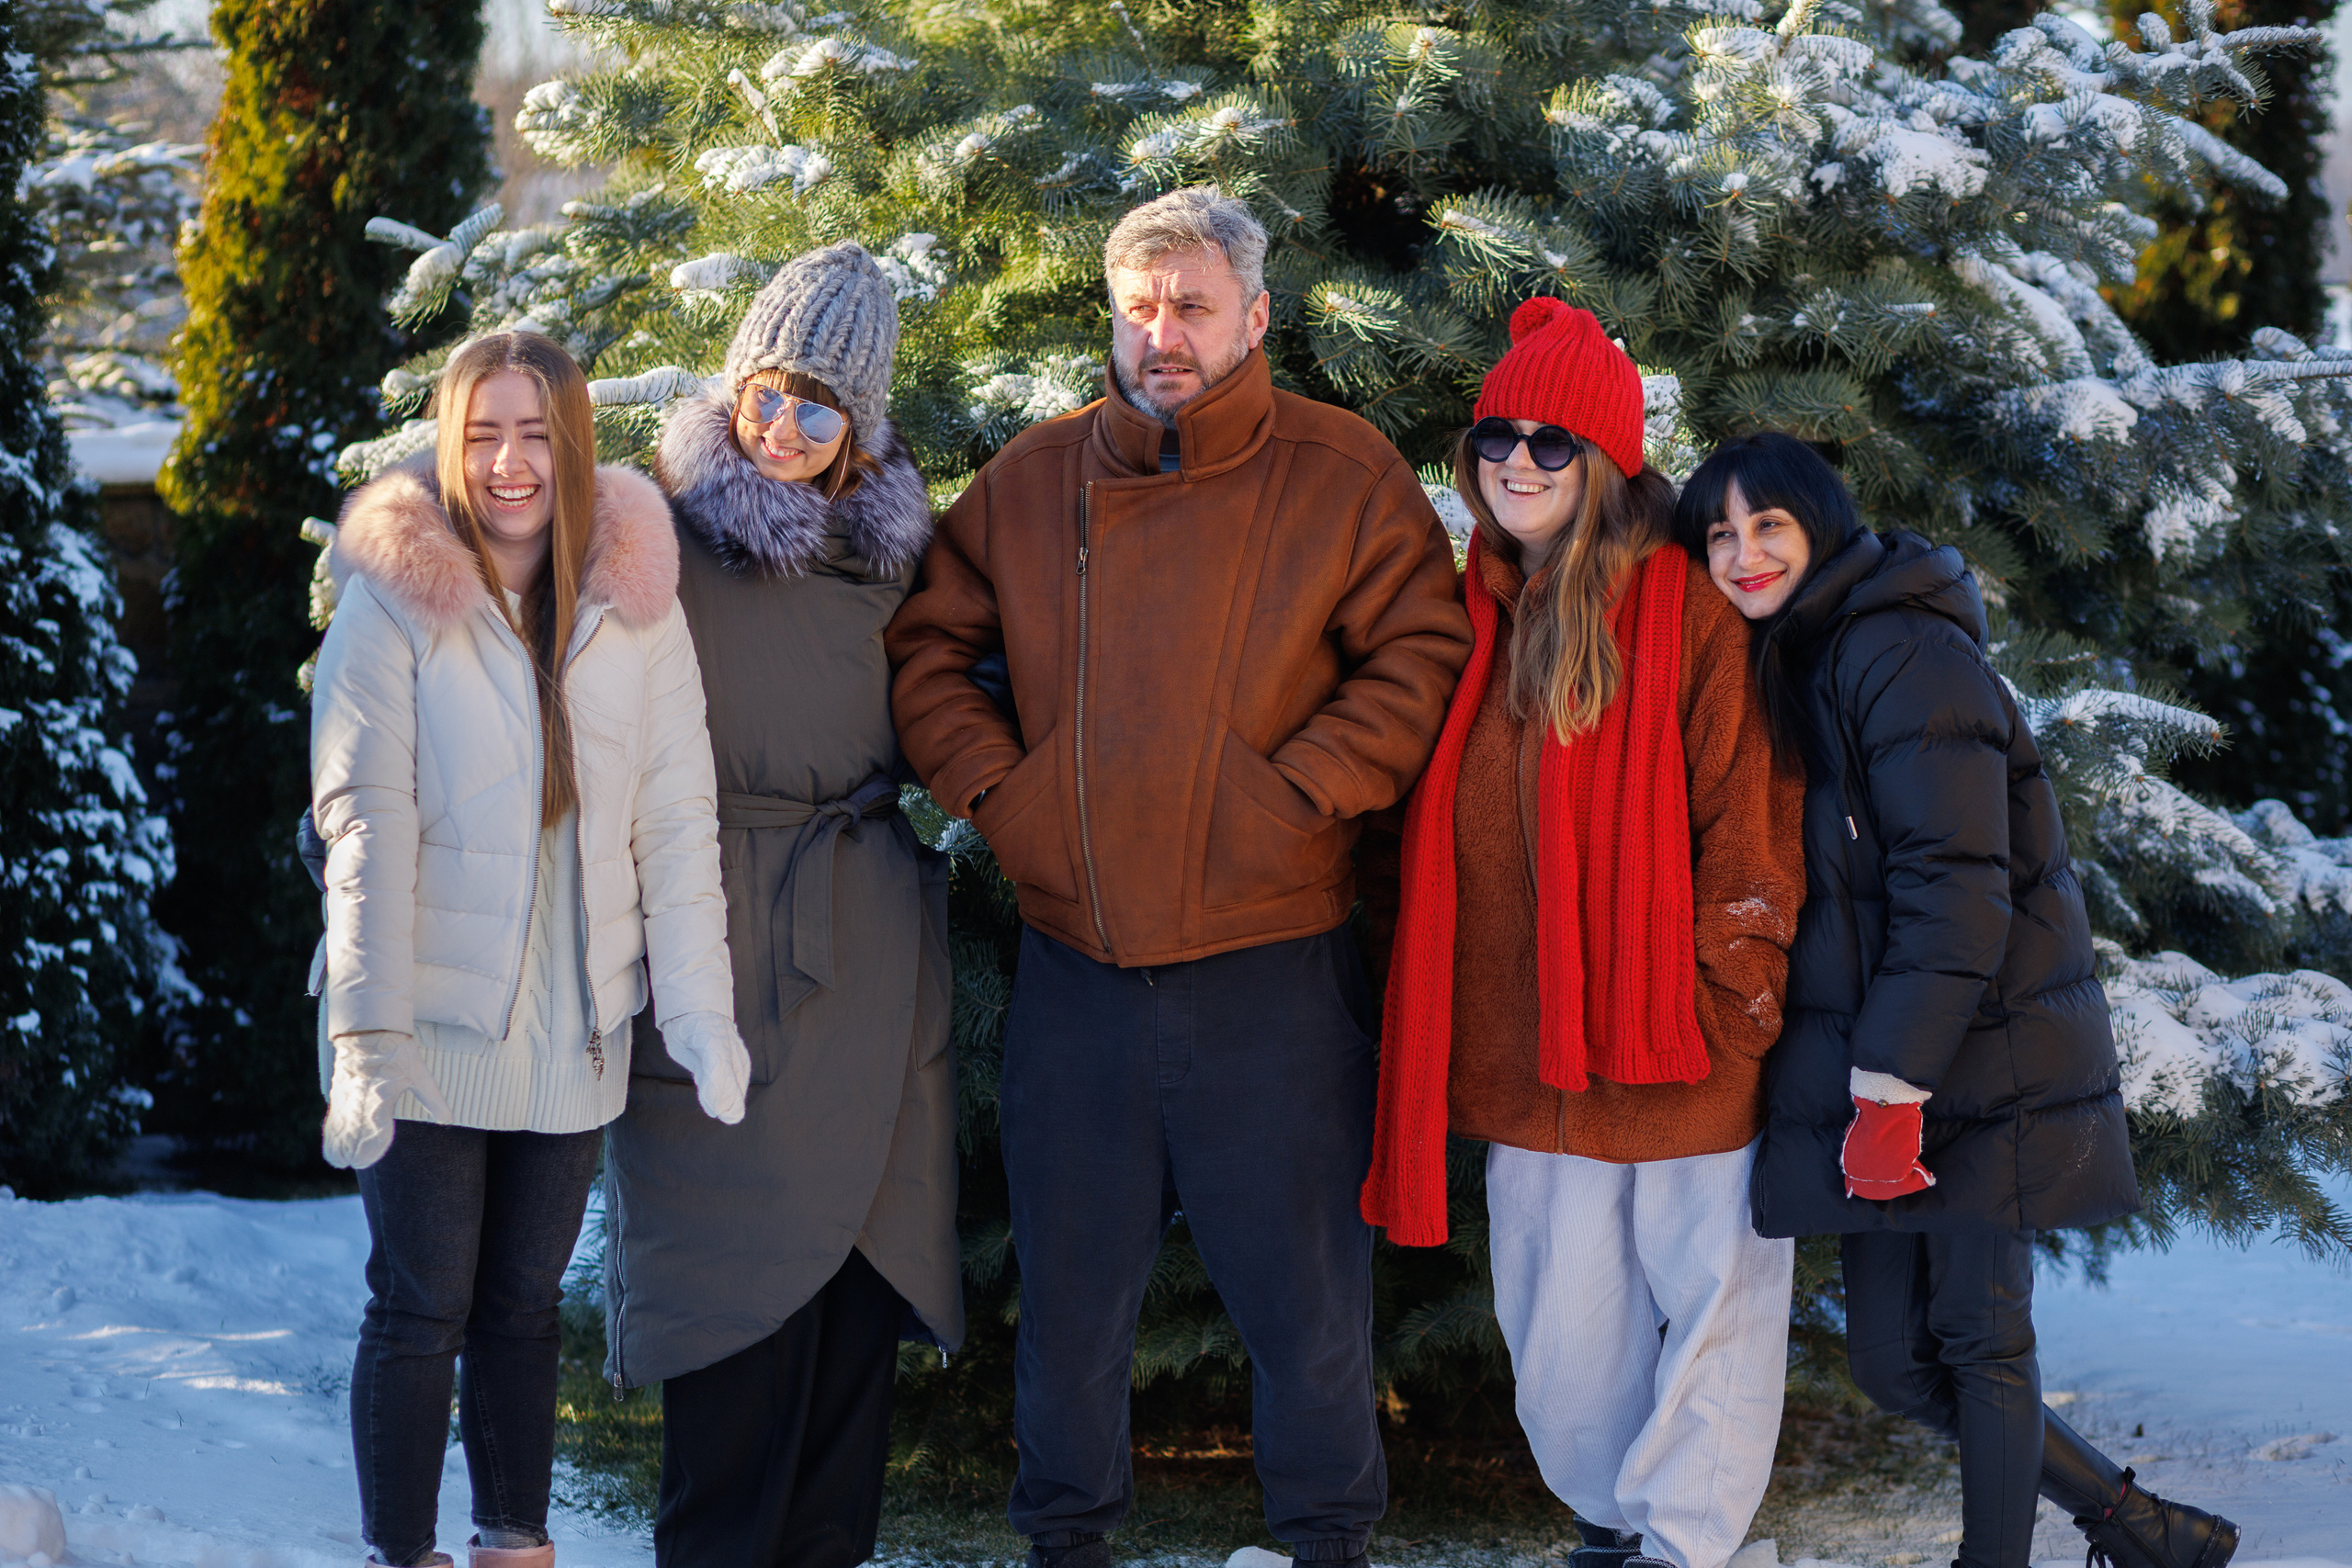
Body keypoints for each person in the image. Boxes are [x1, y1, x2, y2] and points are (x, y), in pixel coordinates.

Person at [886, 185, 1473, 1568]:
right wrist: (1008, 798)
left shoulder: (1341, 472)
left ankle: (1328, 1543)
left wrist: (1294, 793)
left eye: (1193, 307)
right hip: (1078, 972)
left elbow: (1421, 653)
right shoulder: (1031, 480)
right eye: (1140, 309)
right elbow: (928, 654)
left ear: (1254, 318)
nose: (1164, 335)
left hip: (1273, 970)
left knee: (1308, 1308)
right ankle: (1064, 1543)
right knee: (1071, 1305)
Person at [1674, 432, 2242, 1568]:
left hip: (1976, 1051)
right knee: (1891, 1363)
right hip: (1884, 1055)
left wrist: (1892, 1090)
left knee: (1982, 1344)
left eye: (1766, 525)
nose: (1741, 555)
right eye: (1718, 534)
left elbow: (1956, 886)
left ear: (1820, 527)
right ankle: (2138, 1526)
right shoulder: (1799, 654)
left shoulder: (1901, 650)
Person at [1359, 300, 1808, 1568]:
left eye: (1552, 441)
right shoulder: (1472, 613)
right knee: (1558, 1333)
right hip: (1526, 1050)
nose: (1518, 461)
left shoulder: (1691, 608)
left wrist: (1734, 1001)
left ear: (1605, 460)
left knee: (1714, 1310)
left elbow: (1749, 819)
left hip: (1682, 1034)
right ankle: (1609, 1523)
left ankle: (1686, 1544)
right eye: (1496, 436)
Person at [309, 331, 748, 1568]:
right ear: (452, 445)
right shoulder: (394, 599)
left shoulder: (635, 607)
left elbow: (676, 820)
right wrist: (365, 1039)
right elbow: (365, 825)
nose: (510, 462)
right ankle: (403, 1552)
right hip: (425, 1027)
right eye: (483, 433)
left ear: (572, 443)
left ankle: (516, 1546)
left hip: (572, 1028)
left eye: (534, 433)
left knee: (520, 1307)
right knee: (422, 1303)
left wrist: (697, 1010)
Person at [600, 243, 963, 1568]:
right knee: (731, 1306)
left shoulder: (908, 560)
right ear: (733, 384)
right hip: (716, 936)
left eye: (824, 406)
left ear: (862, 426)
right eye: (771, 390)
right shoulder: (652, 533)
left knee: (855, 1304)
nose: (788, 426)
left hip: (869, 941)